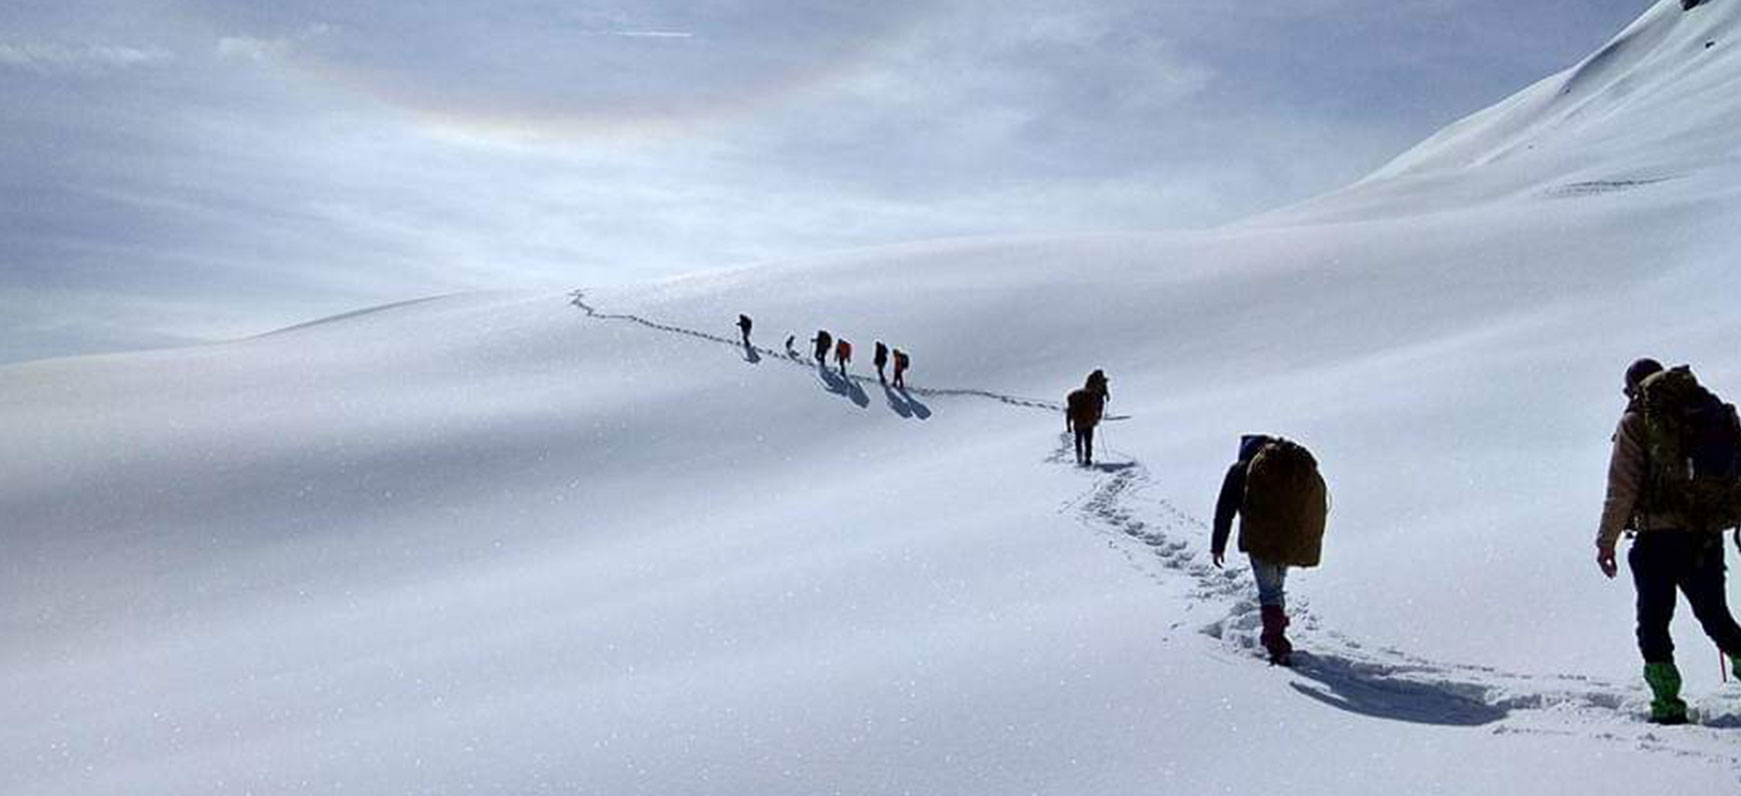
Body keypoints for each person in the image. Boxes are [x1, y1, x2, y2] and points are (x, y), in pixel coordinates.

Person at [1596, 357, 1741, 725]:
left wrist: (1606, 541)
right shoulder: (1704, 412)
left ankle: (1667, 704)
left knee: (1654, 622)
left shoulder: (1635, 422)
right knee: (1716, 616)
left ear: (1634, 388)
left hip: (1656, 538)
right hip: (1705, 532)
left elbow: (1622, 488)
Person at [1212, 435, 1328, 667]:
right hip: (1289, 541)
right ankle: (1277, 629)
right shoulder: (1289, 468)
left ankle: (1276, 643)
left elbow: (1225, 508)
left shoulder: (1242, 469)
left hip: (1260, 541)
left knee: (1269, 592)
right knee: (1275, 589)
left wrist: (1217, 545)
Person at [1064, 370, 1110, 466]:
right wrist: (1097, 416)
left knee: (1078, 440)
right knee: (1088, 440)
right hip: (1089, 421)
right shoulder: (1092, 395)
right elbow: (1099, 404)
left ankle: (1079, 458)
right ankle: (1088, 459)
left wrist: (1068, 425)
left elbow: (1069, 412)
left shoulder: (1074, 398)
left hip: (1078, 422)